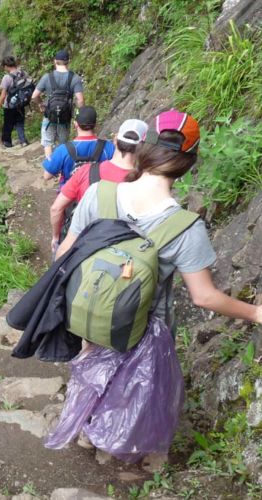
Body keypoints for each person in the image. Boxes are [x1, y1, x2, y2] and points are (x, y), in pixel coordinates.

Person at [54, 109, 262, 463]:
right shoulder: (184, 226)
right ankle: (106, 435)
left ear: (146, 148)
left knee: (91, 359)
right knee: (125, 378)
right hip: (139, 322)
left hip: (86, 308)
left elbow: (64, 254)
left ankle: (84, 424)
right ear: (188, 163)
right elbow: (204, 296)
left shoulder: (98, 194)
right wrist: (255, 312)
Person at [49, 118, 148, 252]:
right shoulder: (146, 181)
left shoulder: (86, 171)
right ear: (144, 148)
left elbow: (56, 209)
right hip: (125, 252)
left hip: (83, 247)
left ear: (115, 141)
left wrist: (56, 238)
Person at [42, 106, 114, 188]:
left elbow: (47, 176)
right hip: (98, 195)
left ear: (75, 124)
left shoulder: (63, 149)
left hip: (71, 197)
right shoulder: (109, 147)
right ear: (95, 124)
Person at [31, 49, 85, 159]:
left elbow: (34, 96)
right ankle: (62, 169)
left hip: (49, 114)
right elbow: (80, 100)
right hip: (65, 116)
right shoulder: (74, 78)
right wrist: (79, 116)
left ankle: (51, 168)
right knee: (63, 143)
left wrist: (41, 103)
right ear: (68, 61)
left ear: (55, 61)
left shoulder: (47, 77)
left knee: (48, 142)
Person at [0, 56, 32, 148]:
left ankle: (7, 143)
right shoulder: (23, 73)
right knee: (20, 123)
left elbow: (3, 96)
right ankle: (23, 141)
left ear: (6, 66)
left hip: (9, 105)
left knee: (8, 124)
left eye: (4, 66)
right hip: (21, 103)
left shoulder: (7, 77)